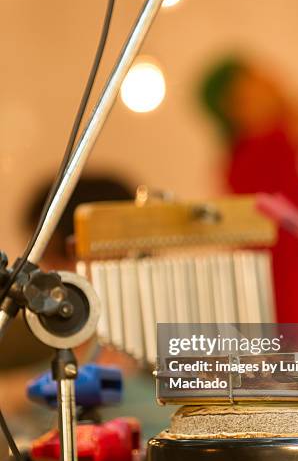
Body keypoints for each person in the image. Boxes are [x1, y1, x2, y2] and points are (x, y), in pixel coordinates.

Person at [0, 175, 174, 441]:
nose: (49, 273)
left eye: (59, 255)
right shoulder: (23, 338)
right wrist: (38, 387)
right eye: (48, 257)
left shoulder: (168, 339)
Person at [199, 56, 298, 322]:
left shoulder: (243, 157)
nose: (274, 82)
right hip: (292, 294)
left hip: (287, 294)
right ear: (235, 105)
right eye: (258, 80)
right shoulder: (257, 150)